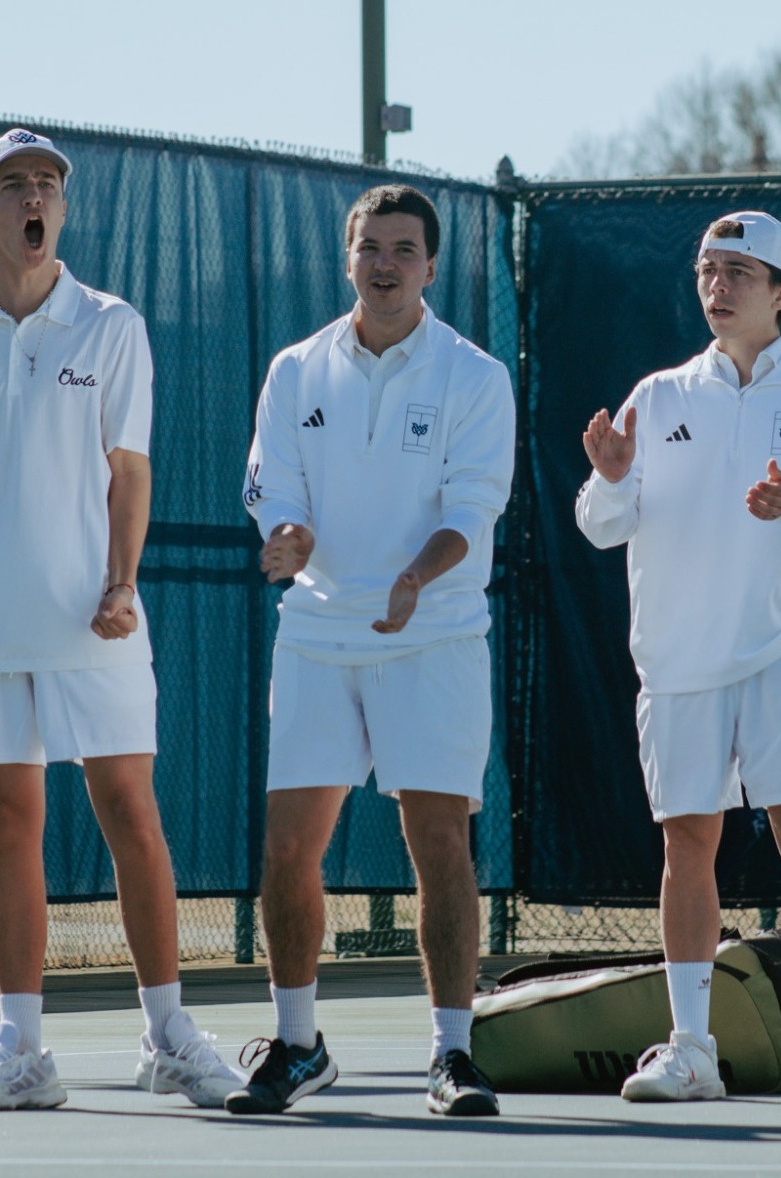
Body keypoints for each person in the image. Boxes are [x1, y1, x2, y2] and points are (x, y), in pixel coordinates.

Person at [0, 128, 240, 1111]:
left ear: (60, 212)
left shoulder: (111, 323)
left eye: (49, 186)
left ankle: (168, 1032)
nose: (36, 198)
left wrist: (122, 580)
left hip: (95, 617)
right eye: (15, 184)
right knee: (11, 821)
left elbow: (129, 468)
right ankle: (22, 1046)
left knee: (131, 811)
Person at [576, 211, 781, 1103]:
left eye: (739, 272)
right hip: (675, 660)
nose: (718, 285)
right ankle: (691, 1049)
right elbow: (600, 528)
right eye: (708, 270)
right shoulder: (660, 393)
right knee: (687, 846)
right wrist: (606, 474)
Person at [227, 184, 515, 1118]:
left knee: (439, 843)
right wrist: (288, 537)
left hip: (432, 636)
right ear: (347, 260)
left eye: (403, 250)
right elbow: (275, 492)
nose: (384, 264)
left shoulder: (474, 378)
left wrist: (412, 580)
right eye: (369, 248)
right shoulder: (294, 370)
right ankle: (298, 1043)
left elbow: (471, 513)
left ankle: (453, 1054)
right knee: (286, 848)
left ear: (431, 268)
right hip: (315, 635)